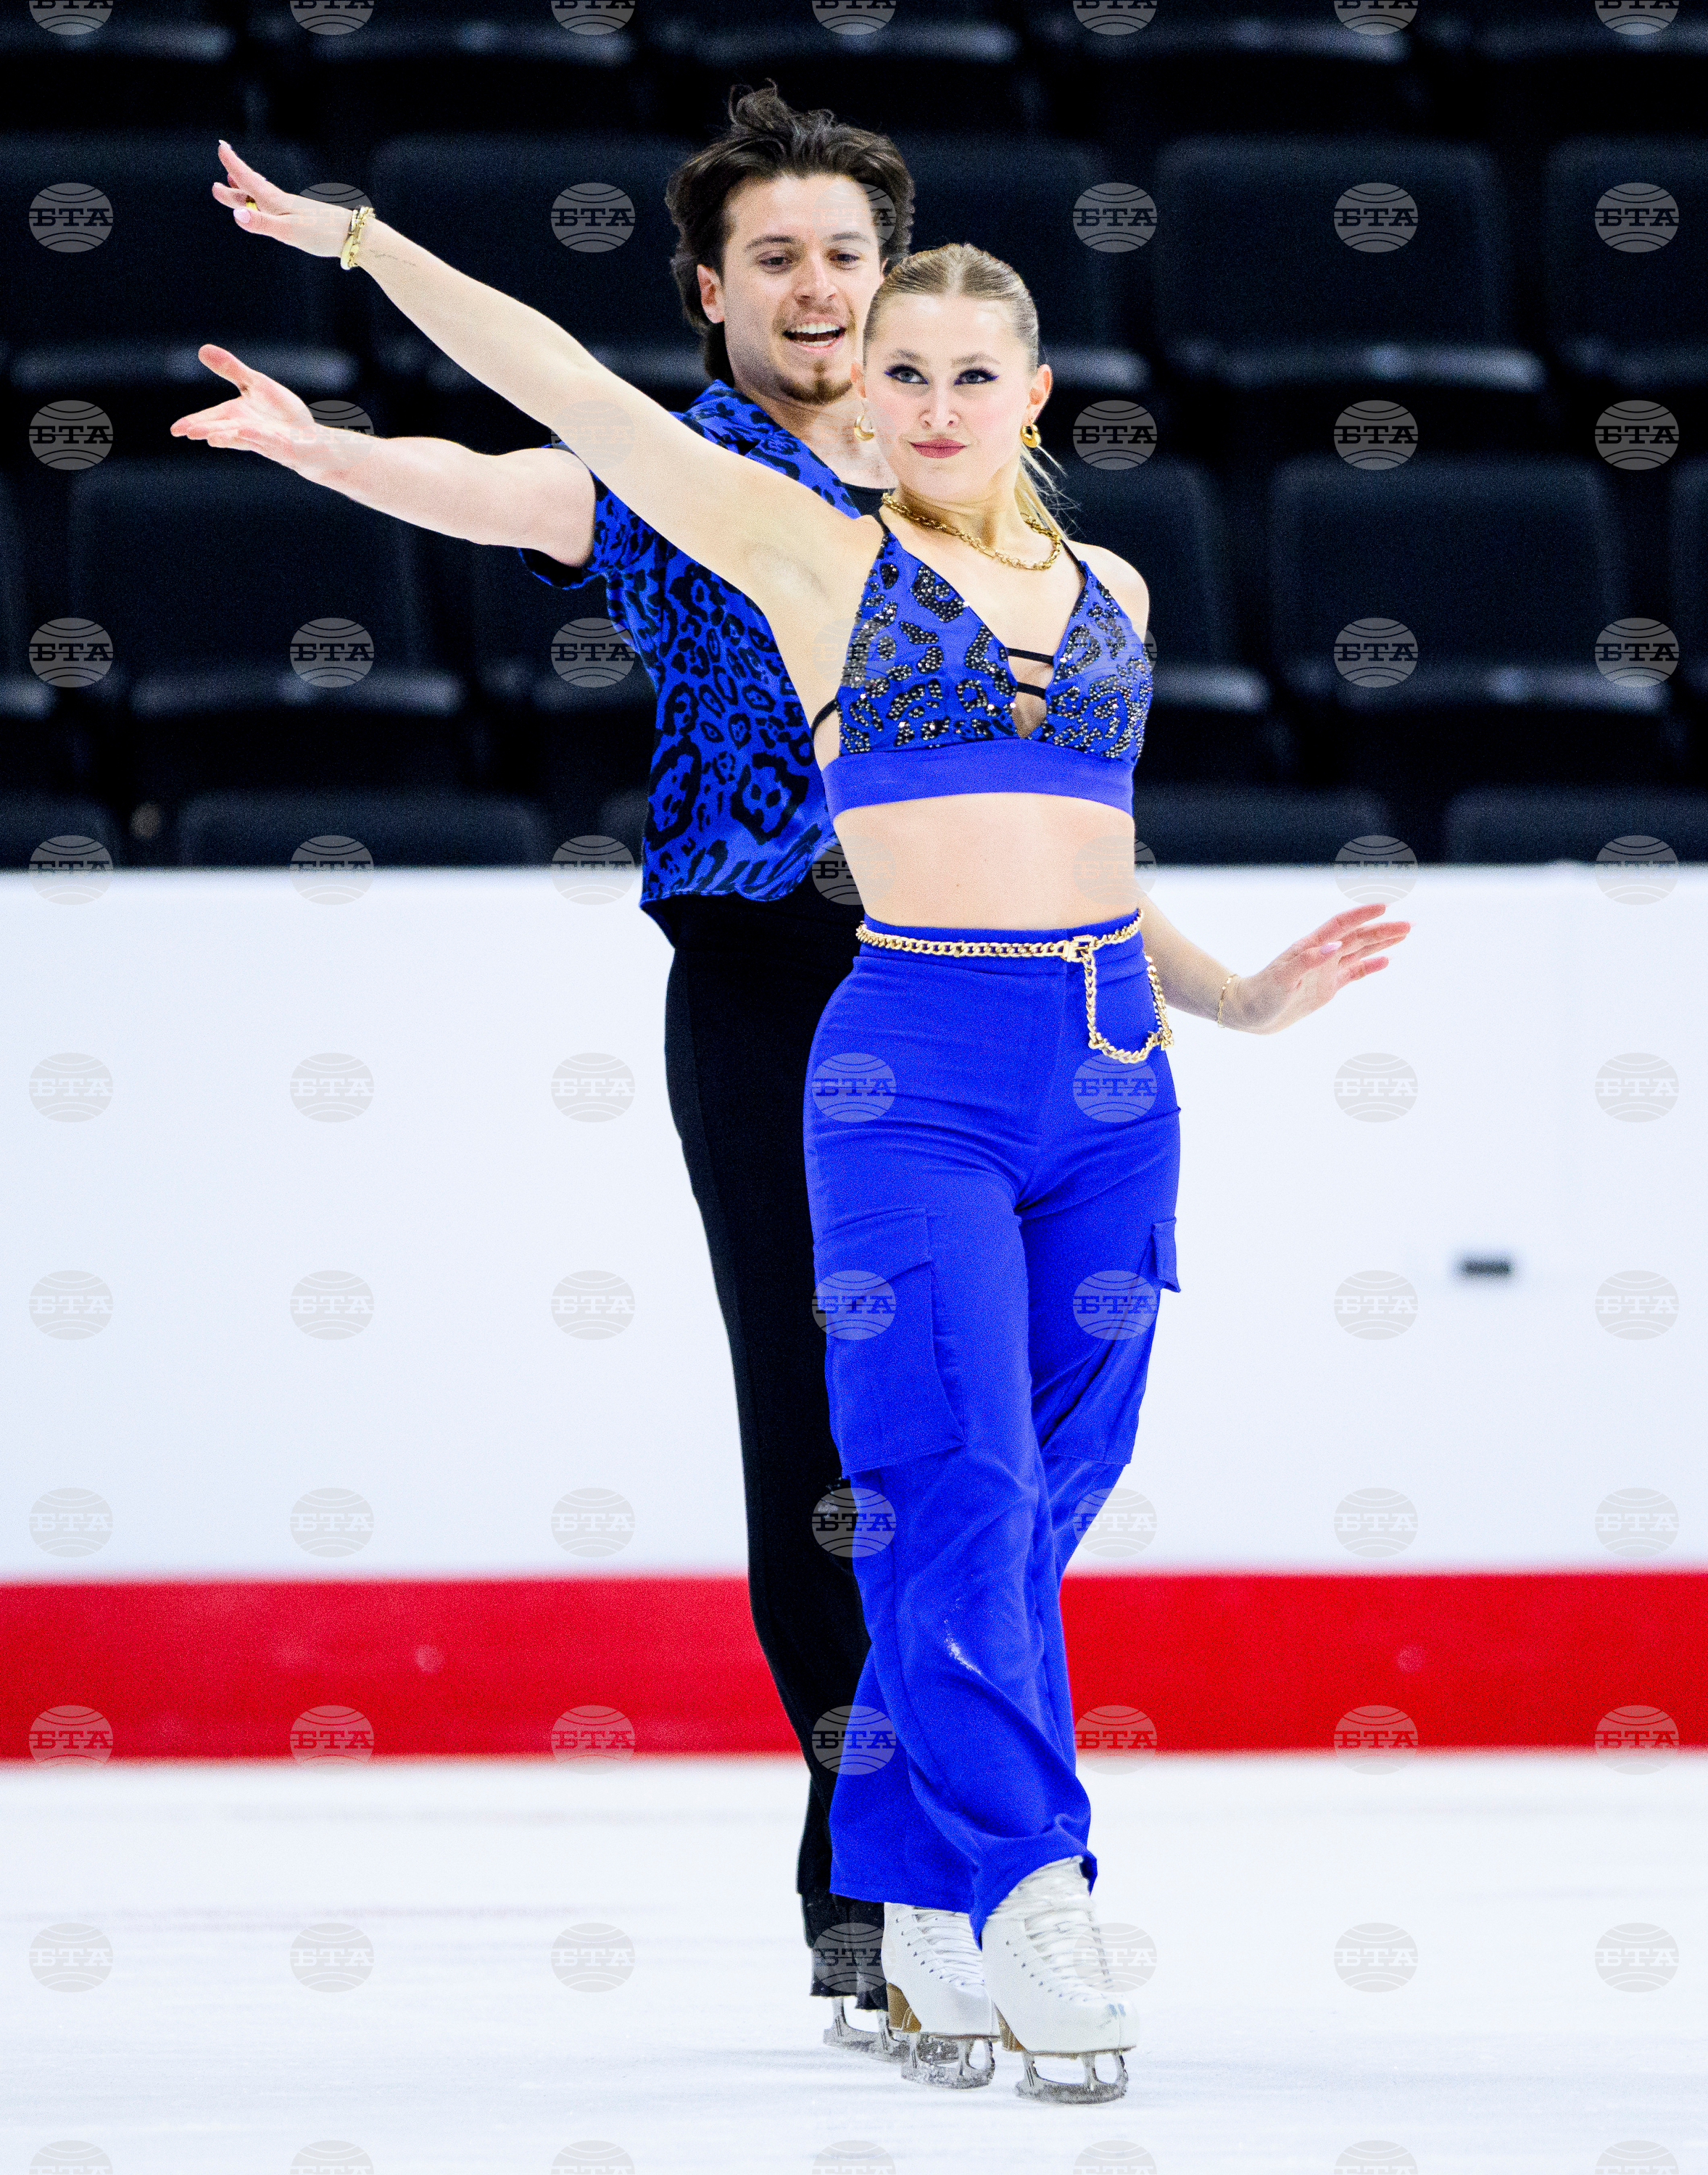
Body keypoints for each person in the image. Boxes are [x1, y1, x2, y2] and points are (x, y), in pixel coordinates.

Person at [180, 147, 1411, 2107]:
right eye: (886, 357)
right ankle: (1024, 1889)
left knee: (1038, 1501)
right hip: (882, 1037)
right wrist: (354, 259)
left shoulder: (1109, 586)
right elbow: (553, 410)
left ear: (1031, 395)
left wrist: (1246, 997)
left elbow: (1085, 835)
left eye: (958, 365)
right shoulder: (799, 545)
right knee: (941, 1480)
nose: (916, 392)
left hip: (1107, 1066)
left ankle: (912, 1868)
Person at [173, 92, 912, 2054]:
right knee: (818, 1436)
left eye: (843, 249)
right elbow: (497, 466)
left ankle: (1001, 1845)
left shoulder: (967, 472)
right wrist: (321, 444)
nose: (814, 282)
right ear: (712, 286)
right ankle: (865, 1877)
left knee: (981, 1436)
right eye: (774, 253)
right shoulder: (668, 473)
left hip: (977, 987)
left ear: (891, 275)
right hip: (768, 990)